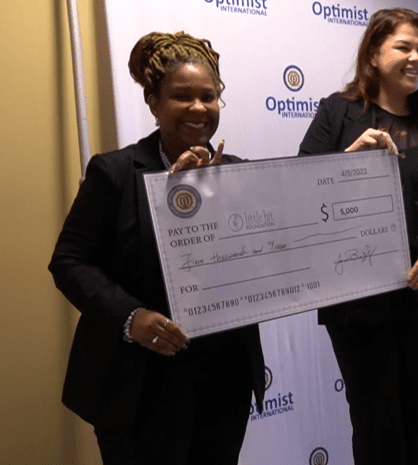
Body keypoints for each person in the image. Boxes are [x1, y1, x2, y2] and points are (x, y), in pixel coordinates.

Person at [48, 31, 265, 465]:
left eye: (209, 96)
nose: (199, 108)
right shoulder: (114, 172)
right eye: (182, 96)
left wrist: (350, 170)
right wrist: (131, 317)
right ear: (153, 102)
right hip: (137, 385)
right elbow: (70, 262)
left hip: (222, 383)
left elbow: (273, 251)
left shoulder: (237, 174)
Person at [298, 8, 418, 465]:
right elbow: (300, 194)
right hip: (357, 303)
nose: (416, 57)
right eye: (403, 47)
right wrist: (346, 160)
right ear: (374, 56)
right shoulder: (337, 113)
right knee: (375, 422)